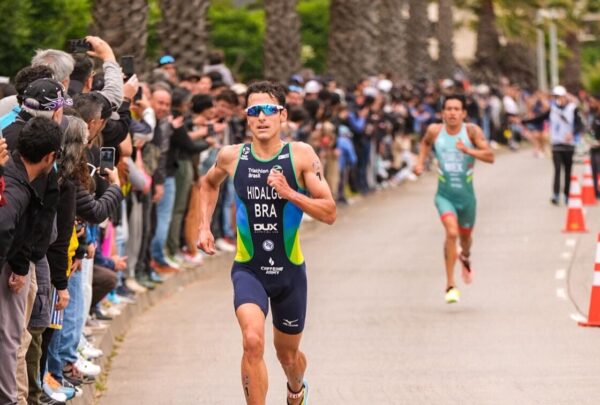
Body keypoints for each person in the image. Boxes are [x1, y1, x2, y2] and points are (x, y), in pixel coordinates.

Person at [198, 81, 336, 405]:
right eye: (254, 110)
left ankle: (296, 387)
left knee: (288, 357)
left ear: (283, 115)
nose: (261, 117)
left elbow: (329, 211)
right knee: (251, 341)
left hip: (289, 273)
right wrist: (204, 226)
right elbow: (207, 185)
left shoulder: (300, 155)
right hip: (250, 269)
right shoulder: (232, 157)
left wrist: (289, 192)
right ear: (246, 117)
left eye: (269, 110)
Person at [415, 94, 494, 303]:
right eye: (448, 109)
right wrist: (420, 163)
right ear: (442, 113)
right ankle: (450, 284)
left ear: (464, 113)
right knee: (452, 233)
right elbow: (424, 144)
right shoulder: (435, 131)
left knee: (466, 239)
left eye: (456, 109)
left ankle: (465, 257)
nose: (452, 113)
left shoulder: (471, 131)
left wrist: (468, 150)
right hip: (444, 195)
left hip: (467, 199)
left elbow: (490, 156)